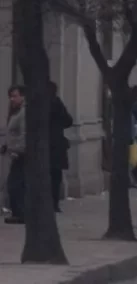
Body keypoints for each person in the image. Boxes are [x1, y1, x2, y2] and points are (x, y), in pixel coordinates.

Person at [2, 86, 26, 224]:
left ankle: (20, 213)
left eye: (15, 96)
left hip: (20, 154)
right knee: (15, 183)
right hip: (15, 152)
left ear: (22, 96)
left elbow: (24, 134)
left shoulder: (23, 112)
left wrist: (19, 150)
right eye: (10, 96)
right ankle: (18, 212)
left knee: (14, 184)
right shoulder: (16, 111)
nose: (12, 99)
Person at [48, 82, 73, 212]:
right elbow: (69, 121)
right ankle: (54, 204)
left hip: (45, 146)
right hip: (57, 145)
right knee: (55, 177)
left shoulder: (39, 104)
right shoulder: (57, 103)